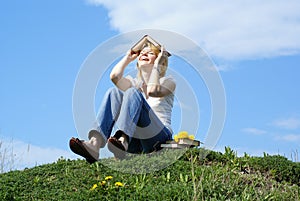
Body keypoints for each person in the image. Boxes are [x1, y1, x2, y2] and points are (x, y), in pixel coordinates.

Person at [69, 40, 176, 163]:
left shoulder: (168, 81)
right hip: (135, 142)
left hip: (158, 138)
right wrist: (128, 58)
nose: (144, 54)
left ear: (159, 59)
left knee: (132, 92)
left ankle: (122, 140)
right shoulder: (135, 82)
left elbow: (152, 90)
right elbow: (114, 77)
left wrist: (158, 64)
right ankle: (95, 143)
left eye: (150, 53)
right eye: (142, 53)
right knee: (114, 92)